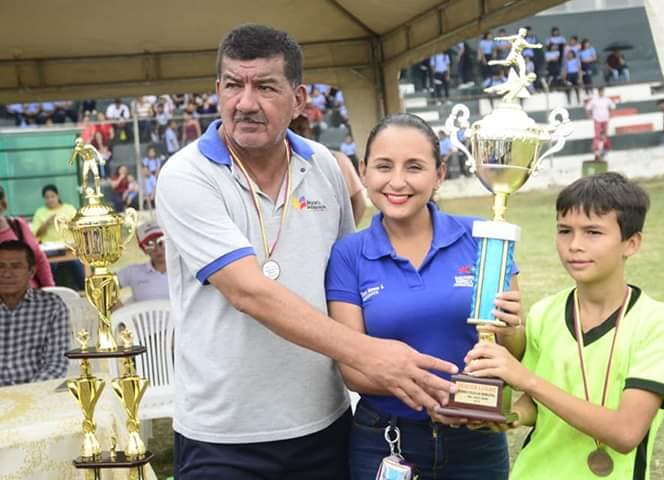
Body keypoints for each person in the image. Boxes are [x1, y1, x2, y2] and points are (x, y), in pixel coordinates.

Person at [155, 24, 457, 479]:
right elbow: (248, 292)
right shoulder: (187, 175)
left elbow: (349, 281)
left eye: (265, 87)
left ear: (298, 99)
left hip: (323, 423)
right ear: (217, 90)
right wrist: (370, 353)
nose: (246, 102)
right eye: (233, 85)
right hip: (224, 436)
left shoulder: (322, 166)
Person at [325, 113, 524, 480]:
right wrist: (442, 396)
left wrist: (512, 328)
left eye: (414, 167)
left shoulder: (483, 238)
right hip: (386, 440)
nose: (397, 181)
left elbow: (514, 350)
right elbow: (353, 369)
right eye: (384, 166)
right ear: (363, 171)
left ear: (439, 174)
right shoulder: (348, 254)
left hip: (475, 436)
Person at [465, 172, 664, 479]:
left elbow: (626, 433)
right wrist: (510, 416)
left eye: (593, 232)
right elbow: (539, 404)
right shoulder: (545, 313)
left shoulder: (661, 325)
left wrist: (527, 379)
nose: (574, 245)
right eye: (564, 231)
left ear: (631, 243)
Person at [0, 240, 68, 386]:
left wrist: (26, 393)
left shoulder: (51, 306)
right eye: (1, 266)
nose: (6, 274)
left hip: (36, 392)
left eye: (16, 266)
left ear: (31, 272)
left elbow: (56, 364)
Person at [288, 115, 366, 225]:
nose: (297, 133)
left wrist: (346, 233)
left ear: (311, 131)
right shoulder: (278, 165)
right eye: (293, 129)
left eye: (302, 128)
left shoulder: (336, 159)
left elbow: (359, 202)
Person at [30, 184, 85, 290]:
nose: (50, 200)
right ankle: (52, 290)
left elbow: (78, 227)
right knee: (50, 265)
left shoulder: (69, 209)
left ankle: (84, 289)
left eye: (52, 196)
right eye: (47, 197)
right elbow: (35, 234)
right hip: (49, 248)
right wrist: (47, 223)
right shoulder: (40, 212)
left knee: (76, 263)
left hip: (69, 246)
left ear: (58, 196)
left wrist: (66, 222)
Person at [0, 186, 54, 288]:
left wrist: (49, 289)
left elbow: (39, 259)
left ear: (3, 204)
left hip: (29, 294)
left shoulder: (17, 226)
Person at [116, 220, 168, 304]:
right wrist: (116, 306)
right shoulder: (133, 272)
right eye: (149, 244)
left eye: (161, 243)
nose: (157, 249)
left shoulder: (183, 269)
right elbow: (106, 287)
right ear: (143, 250)